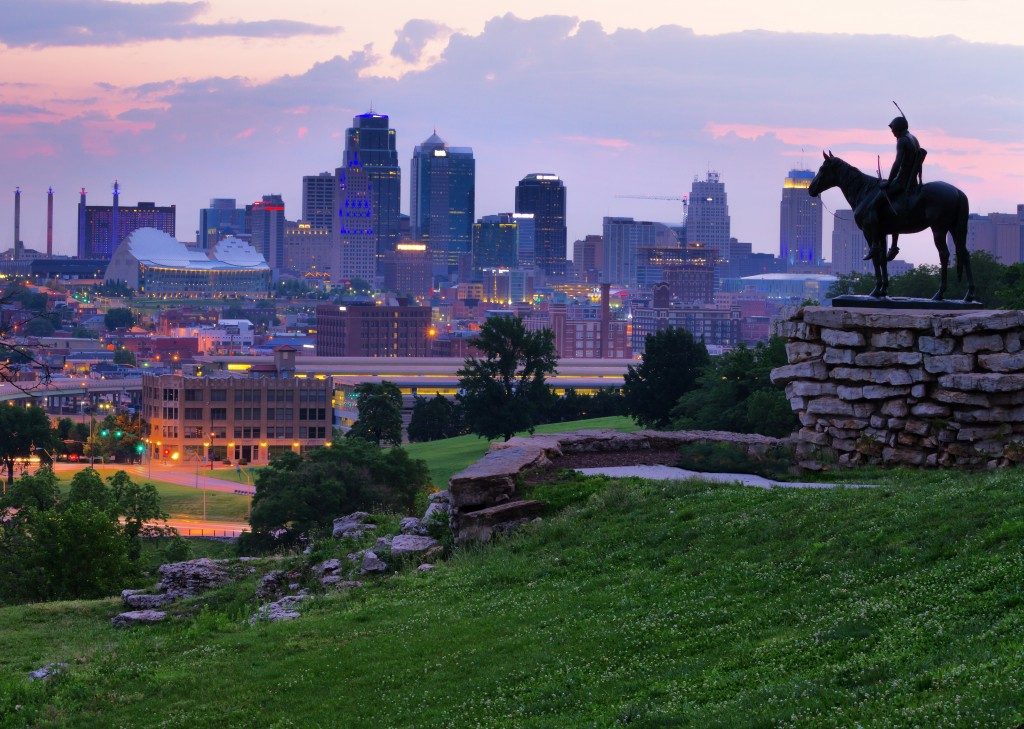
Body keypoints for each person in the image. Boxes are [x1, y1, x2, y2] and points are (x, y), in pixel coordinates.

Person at [859, 114, 925, 260]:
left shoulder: (902, 141)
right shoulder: (913, 138)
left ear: (899, 128)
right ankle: (893, 246)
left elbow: (897, 163)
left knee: (873, 205)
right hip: (911, 181)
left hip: (901, 182)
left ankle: (875, 244)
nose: (892, 132)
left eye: (893, 129)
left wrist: (888, 182)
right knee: (892, 209)